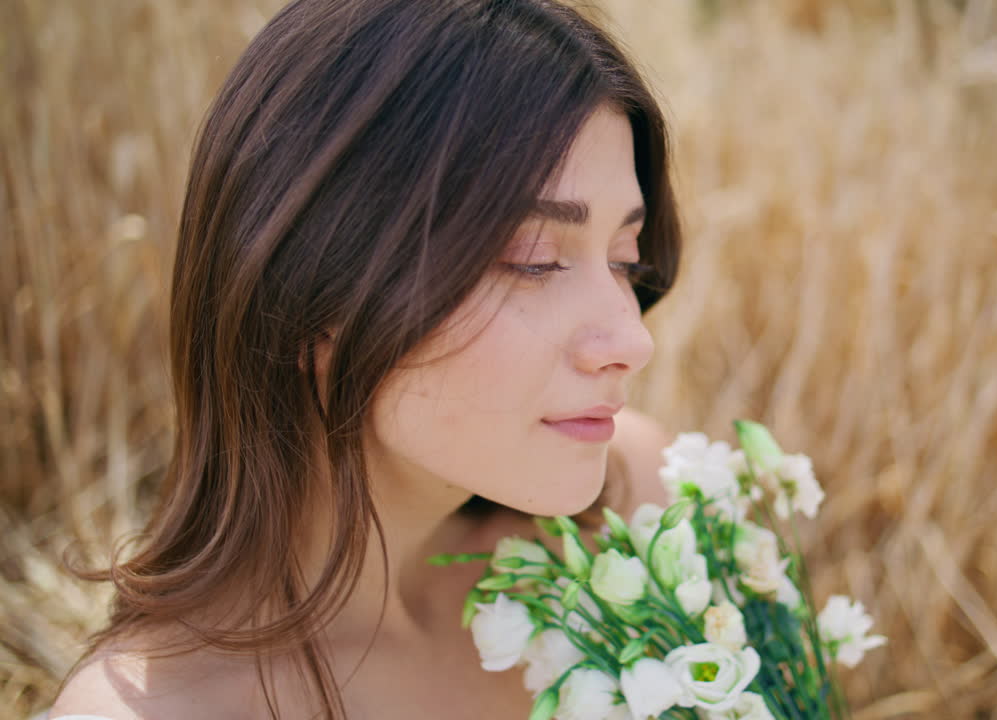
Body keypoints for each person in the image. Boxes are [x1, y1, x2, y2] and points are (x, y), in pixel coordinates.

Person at [47, 0, 681, 717]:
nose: (633, 341)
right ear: (313, 292)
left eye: (625, 260)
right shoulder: (161, 710)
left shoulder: (639, 514)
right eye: (531, 259)